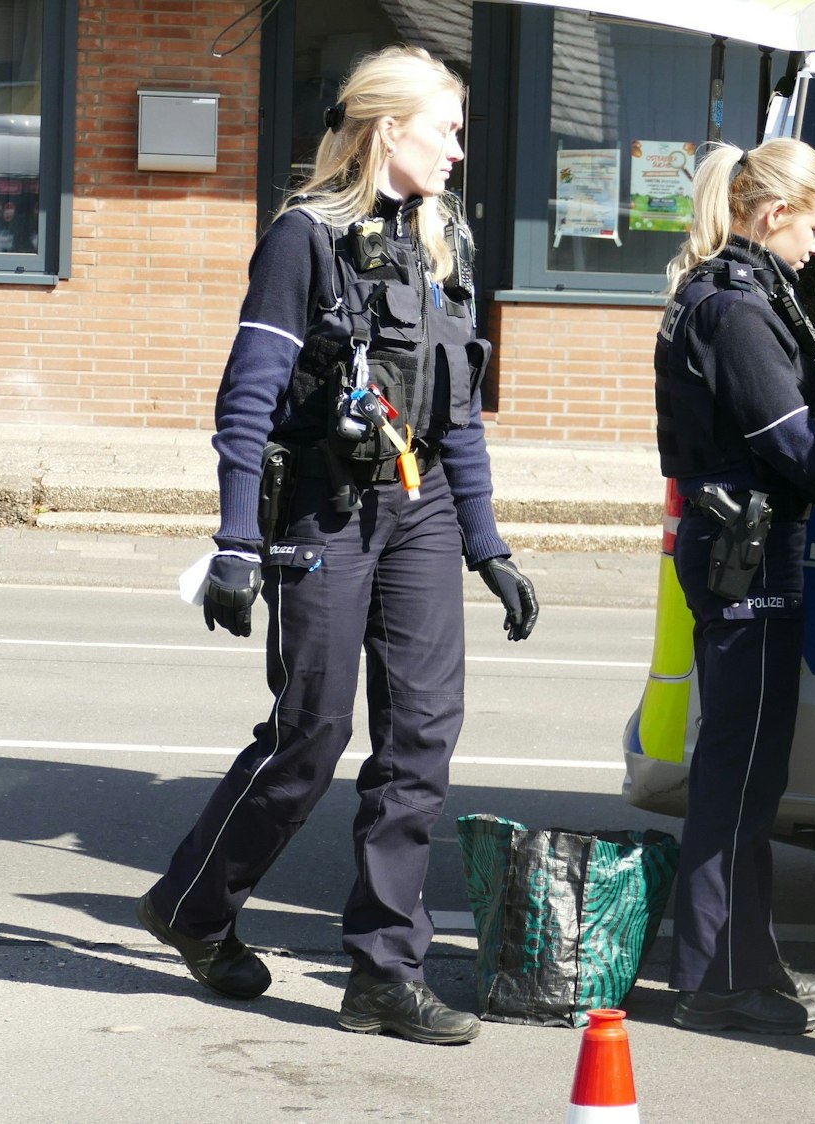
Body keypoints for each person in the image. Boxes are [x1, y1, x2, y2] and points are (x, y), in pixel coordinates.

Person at [138, 45, 539, 1046]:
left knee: (420, 740)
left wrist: (487, 546)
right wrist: (235, 538)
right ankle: (192, 903)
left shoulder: (445, 243)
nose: (458, 148)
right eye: (447, 128)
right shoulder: (303, 239)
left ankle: (381, 973)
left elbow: (459, 419)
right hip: (321, 509)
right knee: (309, 736)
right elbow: (248, 398)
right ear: (389, 129)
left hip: (422, 508)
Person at [655, 137, 815, 1036]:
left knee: (748, 770)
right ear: (771, 215)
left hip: (747, 548)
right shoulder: (739, 310)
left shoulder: (742, 294)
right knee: (739, 773)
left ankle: (741, 960)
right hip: (747, 556)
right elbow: (793, 443)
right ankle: (715, 976)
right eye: (813, 231)